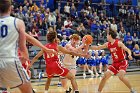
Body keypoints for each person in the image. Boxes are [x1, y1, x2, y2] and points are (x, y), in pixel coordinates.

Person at [0, 0, 31, 93]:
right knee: (28, 90)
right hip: (9, 59)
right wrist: (26, 58)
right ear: (10, 8)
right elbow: (22, 46)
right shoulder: (18, 22)